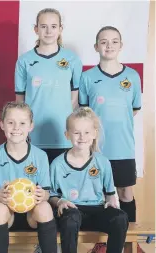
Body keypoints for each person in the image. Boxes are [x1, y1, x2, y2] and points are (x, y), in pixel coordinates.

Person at [79, 26, 143, 253]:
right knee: (99, 196)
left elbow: (133, 109)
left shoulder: (132, 76)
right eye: (103, 42)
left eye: (114, 41)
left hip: (123, 147)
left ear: (121, 45)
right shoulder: (87, 77)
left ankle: (129, 245)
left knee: (125, 194)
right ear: (96, 46)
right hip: (96, 150)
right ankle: (103, 244)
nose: (109, 46)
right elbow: (84, 114)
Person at [49, 107, 128, 253]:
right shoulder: (57, 164)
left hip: (97, 210)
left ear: (94, 134)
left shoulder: (103, 162)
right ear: (67, 135)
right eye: (76, 132)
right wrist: (60, 202)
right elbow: (52, 195)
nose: (82, 137)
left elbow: (110, 194)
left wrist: (111, 202)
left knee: (120, 217)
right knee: (71, 218)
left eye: (86, 132)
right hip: (71, 212)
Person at [0, 101, 57, 253]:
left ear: (31, 126)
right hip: (7, 215)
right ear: (2, 124)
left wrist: (42, 195)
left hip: (32, 216)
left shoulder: (40, 156)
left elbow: (47, 194)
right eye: (11, 122)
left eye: (22, 123)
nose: (16, 128)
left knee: (44, 207)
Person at [15, 8, 82, 165]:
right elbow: (20, 101)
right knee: (35, 186)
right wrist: (25, 127)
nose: (48, 31)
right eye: (43, 26)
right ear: (36, 29)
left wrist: (65, 121)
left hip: (63, 134)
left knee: (61, 185)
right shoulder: (24, 61)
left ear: (60, 29)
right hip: (33, 133)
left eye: (53, 26)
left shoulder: (72, 59)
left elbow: (75, 97)